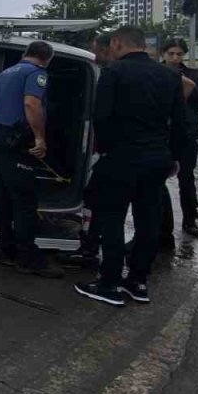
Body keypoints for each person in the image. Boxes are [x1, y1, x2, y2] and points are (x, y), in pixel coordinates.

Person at [75, 26, 186, 307]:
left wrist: (107, 150)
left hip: (122, 157)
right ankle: (137, 281)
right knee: (147, 220)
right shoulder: (170, 75)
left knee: (112, 219)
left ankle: (108, 283)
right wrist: (173, 157)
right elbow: (180, 123)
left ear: (116, 43)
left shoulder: (114, 73)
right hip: (157, 160)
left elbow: (101, 117)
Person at [0, 41, 63, 278]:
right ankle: (28, 258)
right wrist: (40, 138)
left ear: (26, 54)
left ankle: (3, 248)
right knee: (24, 200)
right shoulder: (37, 74)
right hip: (14, 143)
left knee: (2, 195)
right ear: (47, 58)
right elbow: (31, 103)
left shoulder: (4, 74)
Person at [159, 38, 198, 241]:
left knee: (186, 178)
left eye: (179, 54)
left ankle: (190, 220)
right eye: (171, 53)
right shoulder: (156, 72)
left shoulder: (194, 75)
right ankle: (161, 225)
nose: (174, 58)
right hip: (162, 135)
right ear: (164, 54)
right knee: (156, 180)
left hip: (187, 135)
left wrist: (189, 88)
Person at [70, 32, 113, 266]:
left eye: (97, 48)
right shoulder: (103, 71)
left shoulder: (111, 74)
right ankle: (90, 244)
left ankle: (91, 248)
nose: (95, 53)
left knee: (101, 203)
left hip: (110, 154)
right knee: (96, 200)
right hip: (119, 153)